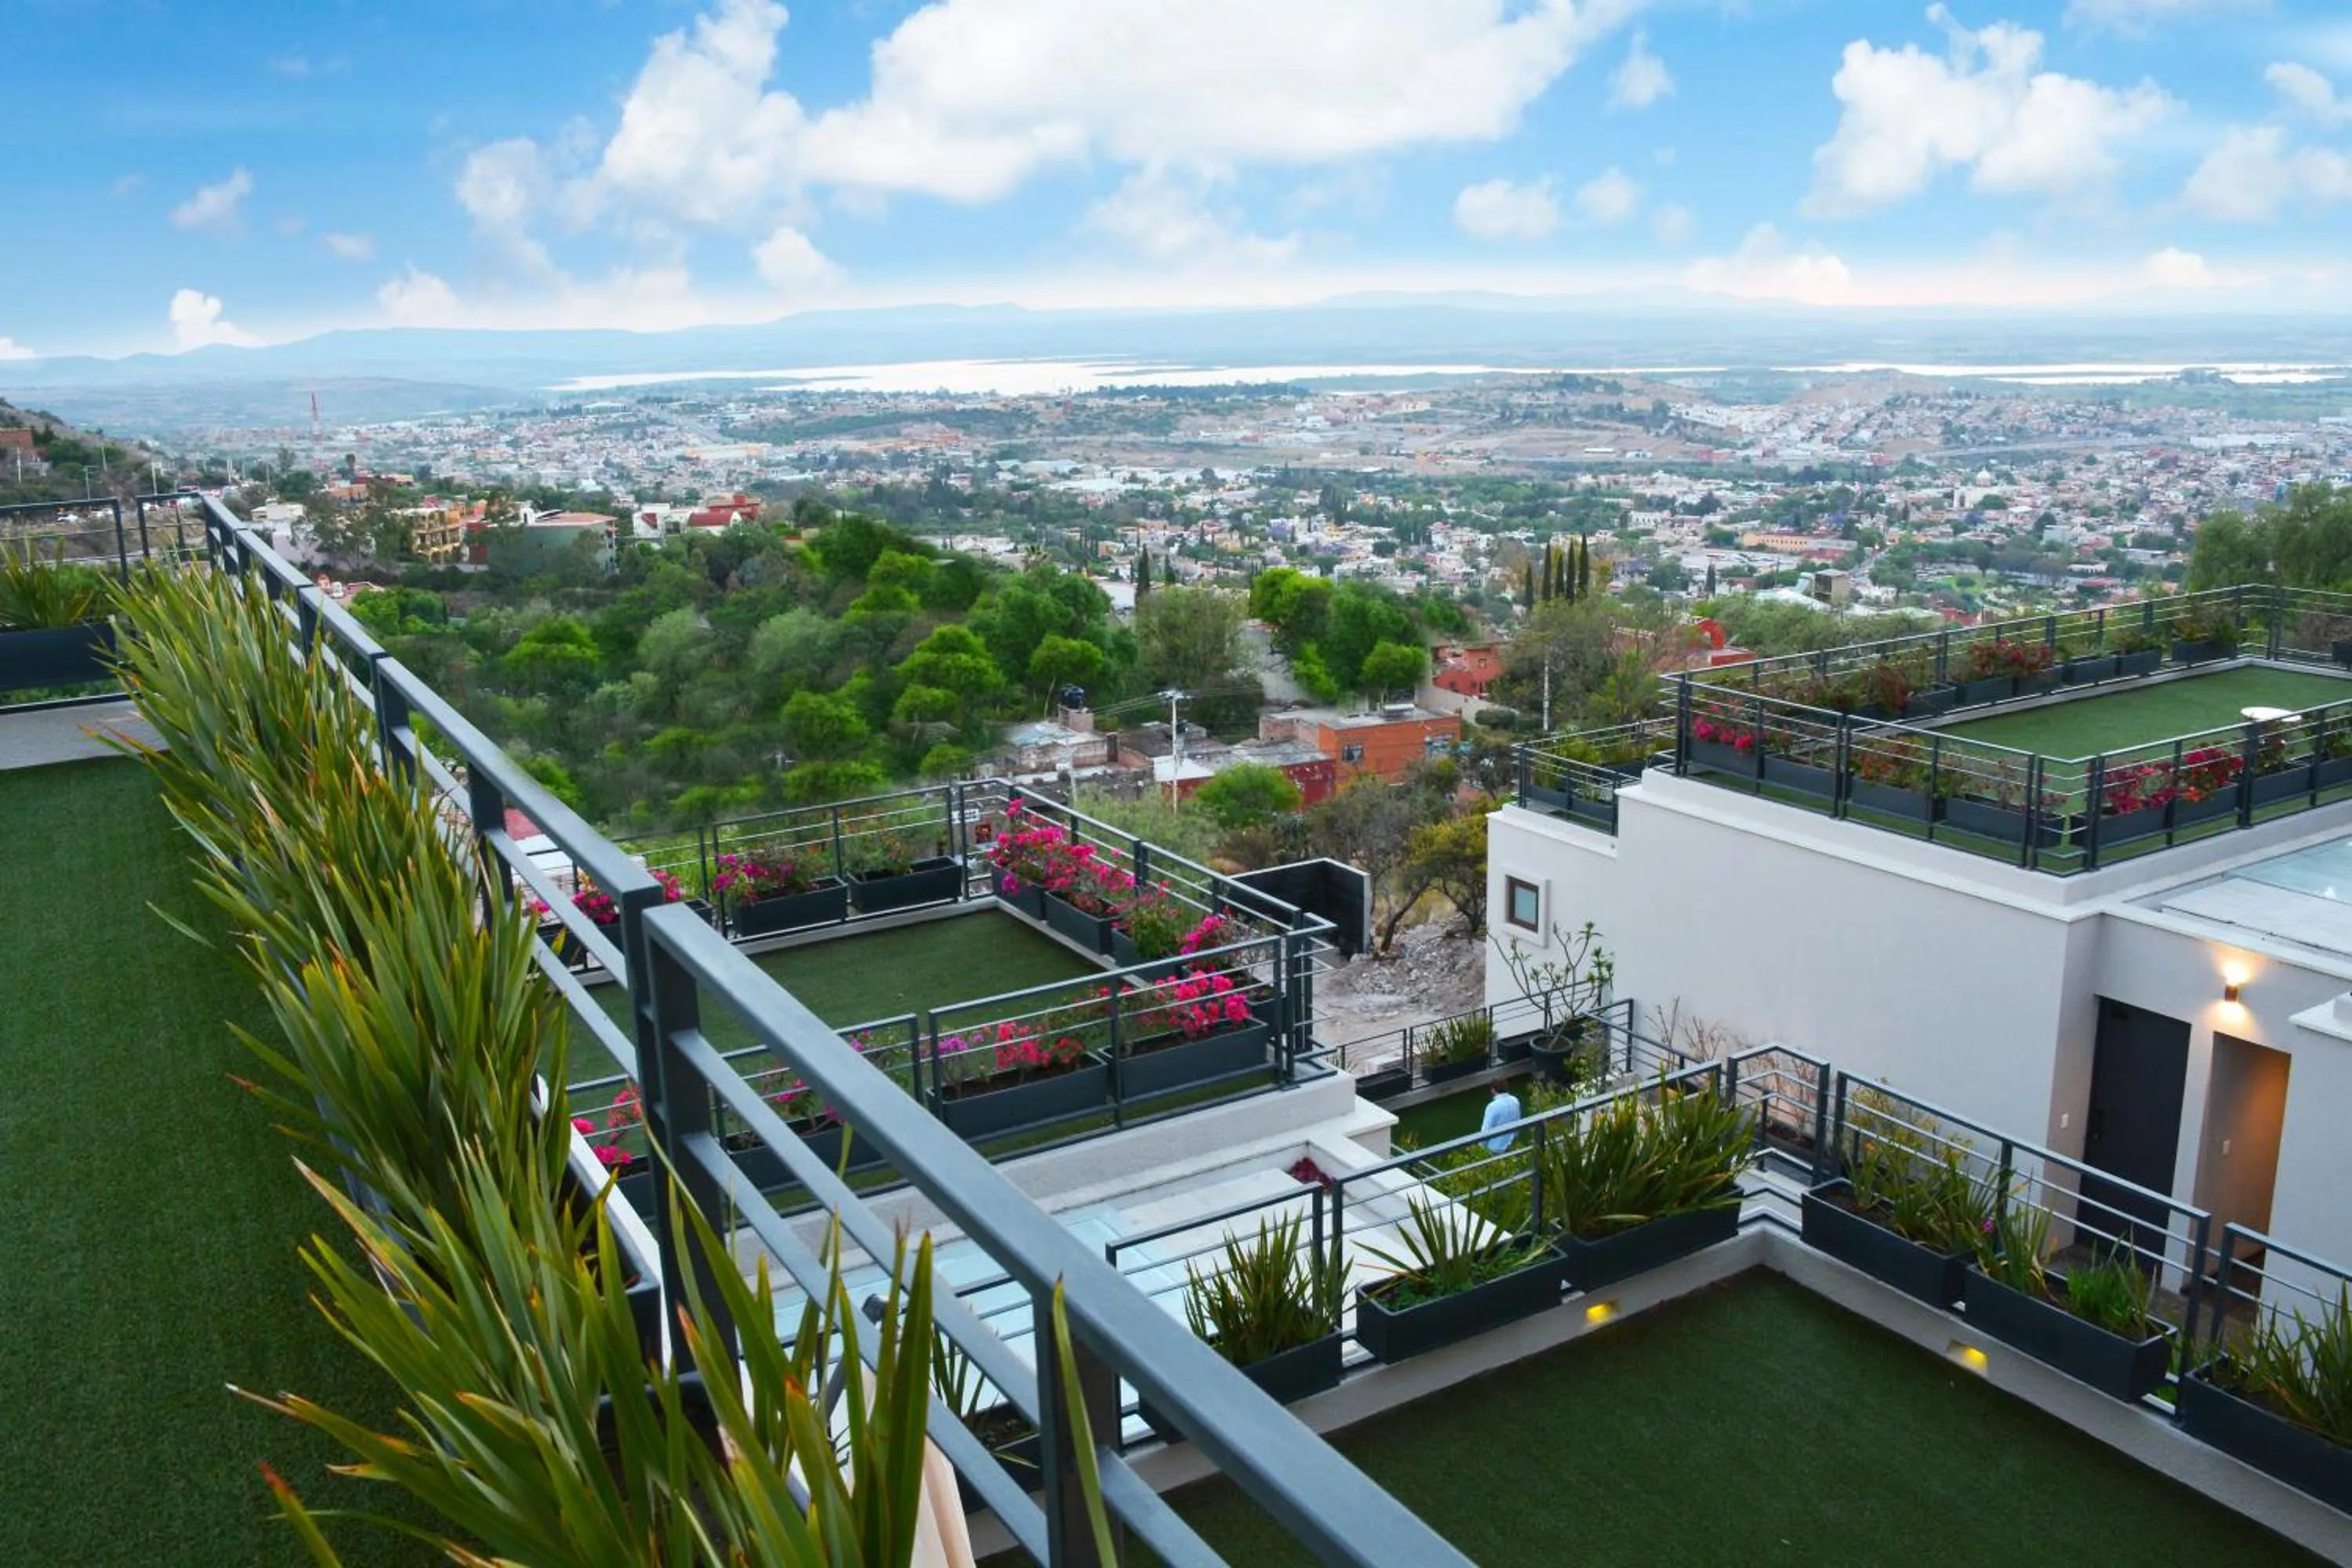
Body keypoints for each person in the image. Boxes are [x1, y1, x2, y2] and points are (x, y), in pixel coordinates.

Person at [1479, 1079, 1524, 1154]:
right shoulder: (1515, 1101)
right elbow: (1518, 1122)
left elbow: (1486, 1130)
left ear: (1493, 1090)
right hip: (1511, 1144)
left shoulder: (1492, 1106)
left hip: (1495, 1149)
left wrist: (1481, 1147)